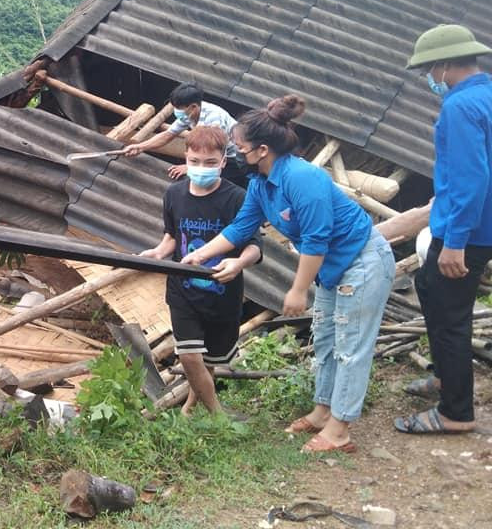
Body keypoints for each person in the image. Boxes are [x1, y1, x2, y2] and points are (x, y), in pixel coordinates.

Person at [182, 95, 395, 453]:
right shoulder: (261, 184)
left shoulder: (302, 178)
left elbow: (316, 238)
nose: (236, 153)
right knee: (326, 341)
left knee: (350, 347)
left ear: (262, 150)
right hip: (330, 268)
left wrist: (297, 290)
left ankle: (340, 429)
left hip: (361, 262)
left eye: (239, 147)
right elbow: (239, 228)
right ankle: (323, 410)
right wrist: (199, 255)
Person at [394, 24, 492, 434]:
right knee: (429, 287)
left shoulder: (460, 107)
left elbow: (471, 177)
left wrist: (455, 242)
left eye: (430, 69)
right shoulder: (484, 95)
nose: (429, 78)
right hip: (471, 223)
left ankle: (456, 413)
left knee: (450, 314)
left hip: (465, 230)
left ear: (445, 64)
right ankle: (444, 376)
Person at [139, 126, 261, 415]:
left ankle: (191, 405)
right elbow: (172, 237)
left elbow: (254, 247)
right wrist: (157, 252)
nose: (201, 168)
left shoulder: (238, 199)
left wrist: (239, 263)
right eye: (194, 161)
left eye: (209, 163)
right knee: (190, 356)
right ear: (185, 157)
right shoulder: (174, 194)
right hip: (183, 291)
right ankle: (219, 417)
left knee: (209, 361)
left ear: (223, 162)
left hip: (223, 294)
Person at [123, 83, 245, 185]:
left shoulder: (213, 118)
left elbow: (210, 150)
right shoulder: (189, 115)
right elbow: (168, 134)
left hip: (234, 159)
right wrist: (140, 147)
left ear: (193, 107)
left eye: (179, 108)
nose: (177, 112)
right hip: (214, 158)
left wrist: (189, 167)